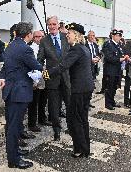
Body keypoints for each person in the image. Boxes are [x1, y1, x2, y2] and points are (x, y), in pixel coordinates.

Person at [46, 22, 94, 158]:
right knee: (83, 118)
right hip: (86, 88)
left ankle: (79, 149)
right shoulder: (84, 48)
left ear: (77, 35)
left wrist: (46, 74)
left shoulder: (76, 49)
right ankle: (85, 148)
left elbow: (62, 66)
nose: (67, 35)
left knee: (74, 119)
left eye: (70, 33)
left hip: (79, 90)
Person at [0, 22, 43, 169]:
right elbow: (36, 66)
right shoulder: (26, 49)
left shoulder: (11, 45)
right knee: (13, 127)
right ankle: (13, 160)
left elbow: (7, 66)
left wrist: (2, 76)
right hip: (19, 92)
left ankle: (16, 151)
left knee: (14, 125)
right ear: (29, 34)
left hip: (12, 91)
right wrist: (48, 69)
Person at [37, 16, 71, 141]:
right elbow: (40, 60)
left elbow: (72, 56)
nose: (51, 26)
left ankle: (72, 127)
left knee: (69, 104)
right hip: (52, 79)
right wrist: (43, 73)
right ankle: (56, 131)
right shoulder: (44, 41)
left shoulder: (65, 37)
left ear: (58, 25)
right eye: (49, 24)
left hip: (67, 78)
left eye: (54, 24)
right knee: (53, 107)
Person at [102, 29, 127, 110]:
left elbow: (121, 54)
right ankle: (108, 103)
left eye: (120, 36)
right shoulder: (108, 44)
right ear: (113, 36)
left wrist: (123, 58)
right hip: (110, 70)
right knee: (109, 87)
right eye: (117, 36)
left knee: (114, 87)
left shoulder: (118, 45)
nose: (119, 37)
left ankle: (112, 101)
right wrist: (120, 59)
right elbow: (109, 57)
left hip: (117, 70)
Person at [28, 30, 48, 132]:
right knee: (34, 101)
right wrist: (34, 81)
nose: (41, 38)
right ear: (34, 38)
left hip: (44, 72)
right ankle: (32, 123)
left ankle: (42, 118)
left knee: (44, 98)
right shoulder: (31, 48)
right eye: (39, 37)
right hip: (36, 75)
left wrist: (47, 79)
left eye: (42, 36)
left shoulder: (44, 46)